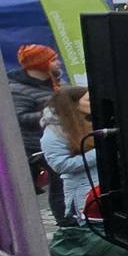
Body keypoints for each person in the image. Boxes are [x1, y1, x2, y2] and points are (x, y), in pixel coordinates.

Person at [11, 45, 63, 222]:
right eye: (53, 59)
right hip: (36, 145)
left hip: (59, 139)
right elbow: (18, 118)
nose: (58, 62)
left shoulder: (55, 82)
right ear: (41, 64)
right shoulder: (18, 89)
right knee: (60, 181)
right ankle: (65, 222)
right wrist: (52, 113)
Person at [40, 86, 97, 223]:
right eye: (89, 100)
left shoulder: (90, 121)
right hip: (83, 194)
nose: (94, 103)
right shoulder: (53, 133)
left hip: (99, 187)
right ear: (74, 104)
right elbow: (60, 165)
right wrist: (99, 153)